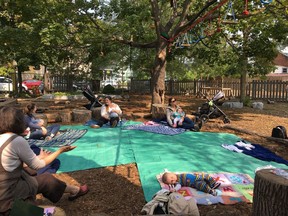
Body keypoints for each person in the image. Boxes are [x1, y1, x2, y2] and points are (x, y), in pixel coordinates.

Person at [0, 107, 89, 215]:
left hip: (11, 188)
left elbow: (10, 164)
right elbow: (38, 165)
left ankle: (75, 190)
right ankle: (30, 208)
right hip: (8, 200)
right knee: (55, 212)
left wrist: (39, 157)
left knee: (45, 179)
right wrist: (60, 151)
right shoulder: (16, 140)